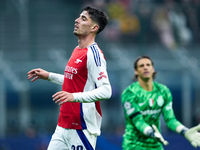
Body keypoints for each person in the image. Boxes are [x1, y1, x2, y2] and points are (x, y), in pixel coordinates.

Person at [27, 5, 112, 150]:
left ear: (94, 28)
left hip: (81, 127)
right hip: (63, 125)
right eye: (79, 17)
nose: (76, 20)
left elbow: (106, 91)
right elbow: (74, 81)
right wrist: (49, 76)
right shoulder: (77, 50)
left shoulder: (94, 54)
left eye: (83, 18)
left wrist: (74, 97)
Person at [121, 55, 200, 150]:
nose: (145, 67)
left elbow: (170, 120)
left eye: (148, 65)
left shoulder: (163, 91)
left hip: (156, 145)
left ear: (153, 69)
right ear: (136, 71)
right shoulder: (130, 93)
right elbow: (138, 121)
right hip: (133, 145)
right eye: (141, 66)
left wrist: (185, 131)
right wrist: (151, 132)